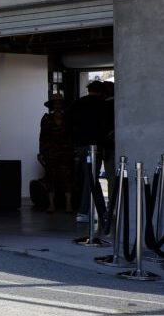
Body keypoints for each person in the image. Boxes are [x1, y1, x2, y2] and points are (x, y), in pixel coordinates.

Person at [67, 80, 107, 223]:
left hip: (79, 146)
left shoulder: (77, 104)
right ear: (101, 92)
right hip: (94, 147)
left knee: (89, 179)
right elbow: (105, 128)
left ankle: (102, 211)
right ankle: (83, 212)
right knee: (91, 179)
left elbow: (68, 124)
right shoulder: (102, 105)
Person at [38, 93, 74, 213]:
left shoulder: (68, 118)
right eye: (55, 103)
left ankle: (68, 204)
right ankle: (51, 204)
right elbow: (42, 136)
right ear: (52, 105)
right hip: (51, 152)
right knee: (51, 177)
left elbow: (72, 136)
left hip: (66, 152)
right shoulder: (46, 118)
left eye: (59, 103)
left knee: (67, 178)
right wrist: (42, 152)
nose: (57, 105)